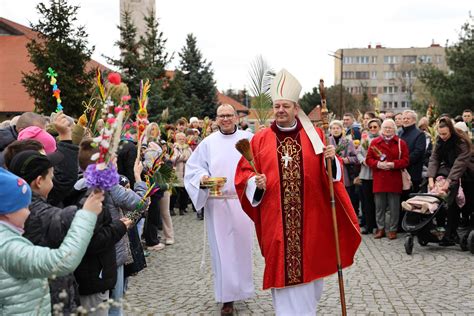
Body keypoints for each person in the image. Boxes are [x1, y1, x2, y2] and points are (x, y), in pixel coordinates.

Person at [235, 69, 360, 316]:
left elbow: (332, 174)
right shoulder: (259, 140)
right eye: (277, 105)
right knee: (283, 275)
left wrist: (332, 161)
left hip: (311, 220)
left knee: (310, 275)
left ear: (296, 108)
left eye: (286, 105)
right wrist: (254, 184)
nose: (280, 110)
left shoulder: (315, 136)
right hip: (276, 222)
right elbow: (243, 176)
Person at [0, 167, 104, 315]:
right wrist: (87, 215)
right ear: (8, 211)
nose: (28, 212)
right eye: (24, 207)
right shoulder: (6, 246)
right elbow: (62, 261)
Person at [184, 104, 255, 315]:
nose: (225, 119)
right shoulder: (208, 143)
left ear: (236, 117)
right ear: (216, 119)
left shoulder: (248, 139)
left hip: (242, 201)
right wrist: (203, 178)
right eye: (221, 116)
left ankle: (242, 290)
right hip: (217, 201)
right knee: (222, 251)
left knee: (242, 249)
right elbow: (193, 169)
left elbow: (258, 164)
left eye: (229, 115)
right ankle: (227, 298)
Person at [427, 117, 474, 245]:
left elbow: (460, 164)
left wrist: (448, 182)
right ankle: (447, 233)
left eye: (445, 134)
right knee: (447, 202)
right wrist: (431, 178)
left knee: (462, 203)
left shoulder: (461, 141)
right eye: (440, 134)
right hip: (449, 170)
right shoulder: (439, 140)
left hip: (467, 173)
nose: (442, 136)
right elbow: (434, 158)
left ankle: (460, 232)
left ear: (451, 131)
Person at [366, 119, 409, 240]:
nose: (387, 130)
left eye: (390, 128)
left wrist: (393, 164)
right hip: (380, 178)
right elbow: (368, 159)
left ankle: (393, 229)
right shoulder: (375, 142)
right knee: (379, 206)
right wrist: (378, 164)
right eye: (385, 128)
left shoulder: (401, 143)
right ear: (381, 129)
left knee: (394, 206)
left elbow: (406, 161)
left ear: (394, 129)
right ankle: (380, 229)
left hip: (394, 178)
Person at [357, 119, 381, 234]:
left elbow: (382, 155)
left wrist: (374, 162)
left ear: (379, 127)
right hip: (366, 173)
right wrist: (364, 161)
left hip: (377, 173)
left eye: (375, 127)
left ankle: (377, 224)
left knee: (378, 202)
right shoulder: (365, 139)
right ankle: (368, 225)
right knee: (366, 201)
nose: (372, 129)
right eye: (370, 127)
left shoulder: (381, 139)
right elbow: (359, 152)